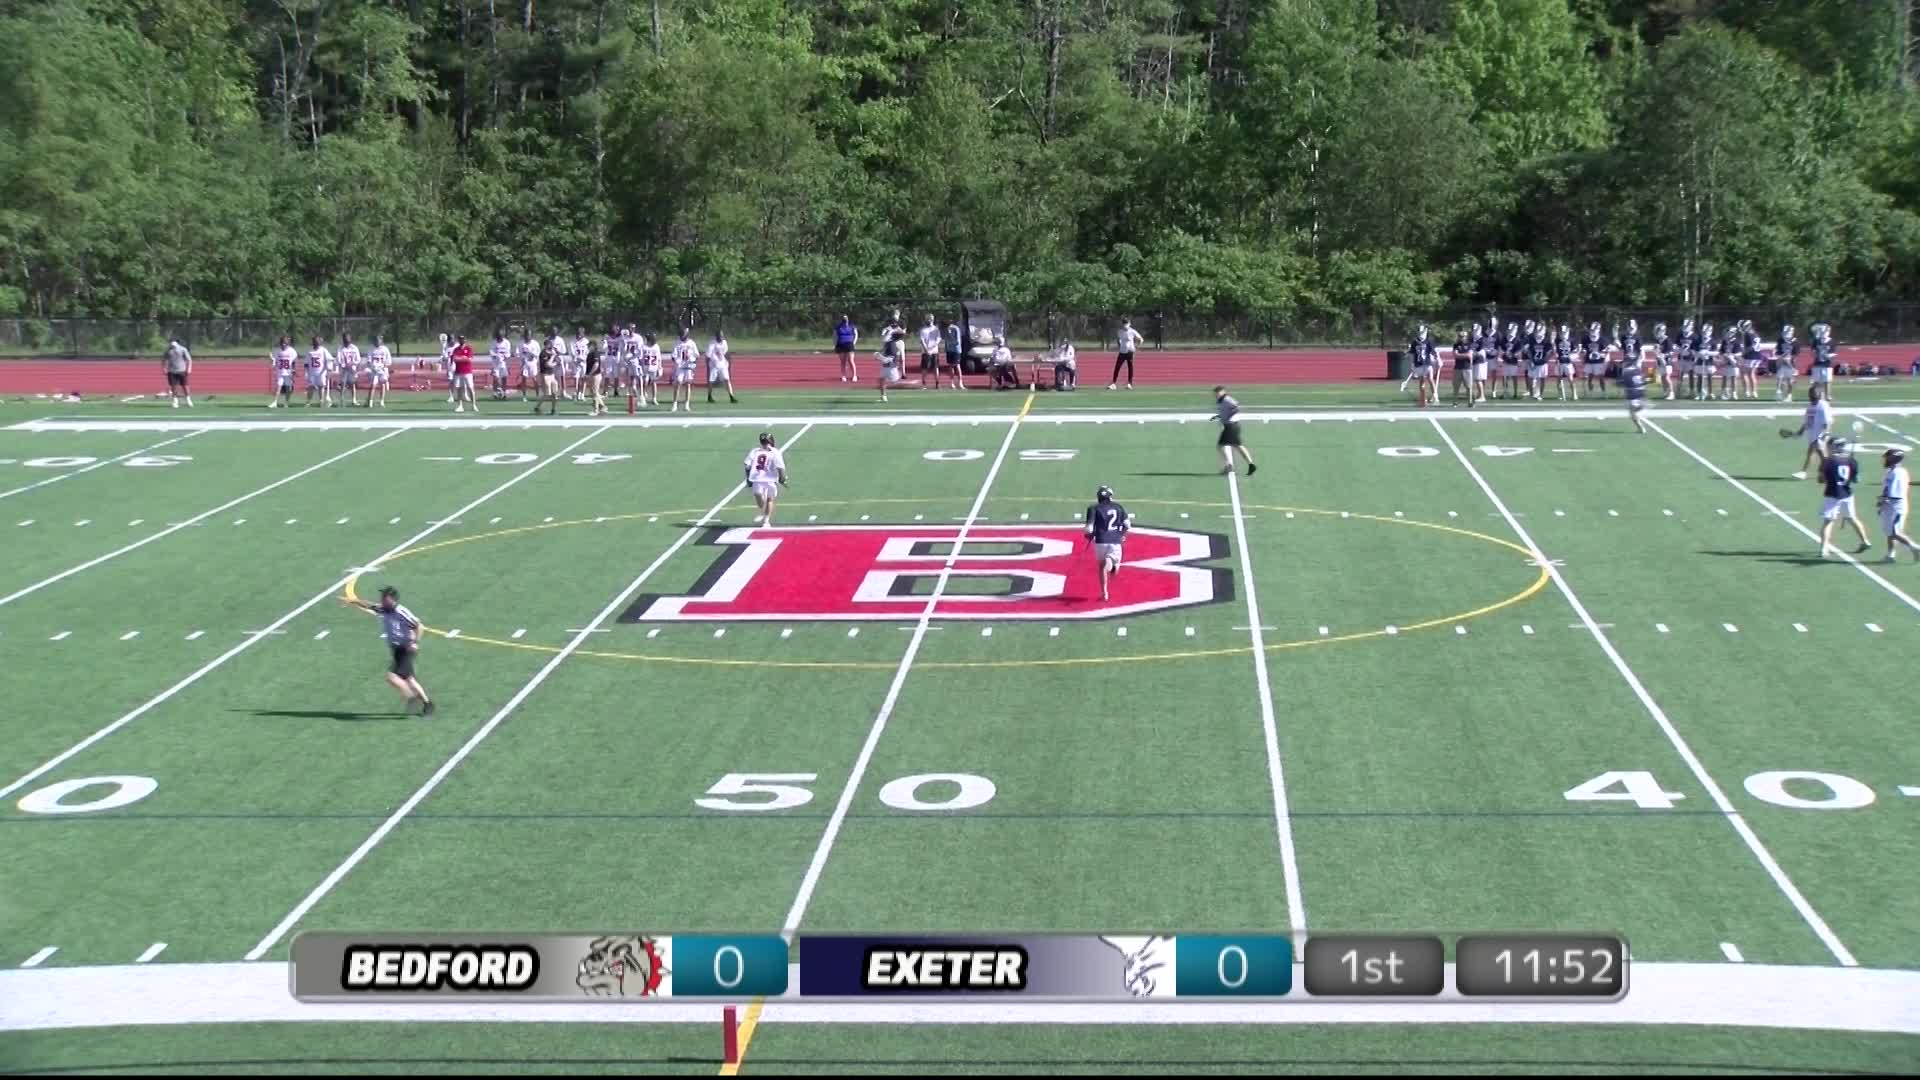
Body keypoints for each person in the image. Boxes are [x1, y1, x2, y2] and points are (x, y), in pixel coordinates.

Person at [347, 586, 435, 716]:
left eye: (384, 597)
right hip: (397, 650)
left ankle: (412, 698)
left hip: (405, 648)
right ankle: (428, 704)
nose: (381, 599)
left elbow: (419, 626)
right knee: (409, 678)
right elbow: (369, 605)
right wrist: (354, 601)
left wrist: (414, 642)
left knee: (391, 677)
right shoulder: (384, 609)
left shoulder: (401, 612)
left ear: (392, 599)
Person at [1815, 438, 1873, 559]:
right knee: (1852, 518)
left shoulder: (1828, 461)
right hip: (1847, 494)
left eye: (1830, 446)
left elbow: (1820, 479)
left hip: (1832, 494)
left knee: (1828, 522)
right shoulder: (1851, 460)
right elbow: (1856, 479)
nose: (1828, 448)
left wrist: (1828, 478)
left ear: (1835, 447)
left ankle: (1824, 549)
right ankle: (1865, 541)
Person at [1084, 484, 1130, 602]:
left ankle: (1104, 591)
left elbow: (1088, 529)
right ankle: (1111, 566)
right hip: (1115, 540)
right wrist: (1122, 534)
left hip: (1100, 542)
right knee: (1112, 566)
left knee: (1102, 566)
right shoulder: (1119, 507)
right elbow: (1127, 525)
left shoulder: (1093, 508)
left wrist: (1089, 536)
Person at [1876, 447, 1919, 562]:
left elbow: (1894, 493)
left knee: (1895, 532)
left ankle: (1915, 548)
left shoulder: (1897, 473)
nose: (1885, 460)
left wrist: (1883, 501)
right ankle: (1891, 555)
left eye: (1888, 457)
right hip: (1890, 505)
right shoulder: (1892, 471)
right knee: (1889, 531)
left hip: (1896, 506)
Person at [1783, 384, 1832, 480]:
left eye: (1813, 394)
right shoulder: (1810, 406)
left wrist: (1825, 434)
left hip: (1820, 435)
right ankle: (1828, 472)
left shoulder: (1823, 406)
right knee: (1822, 456)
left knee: (1811, 452)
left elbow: (1828, 422)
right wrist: (1800, 432)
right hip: (1812, 434)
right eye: (1811, 394)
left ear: (1818, 394)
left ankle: (1804, 472)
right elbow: (1807, 421)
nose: (1811, 396)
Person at [744, 431, 789, 526]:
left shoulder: (755, 451)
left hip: (757, 478)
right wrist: (783, 479)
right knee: (770, 499)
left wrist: (748, 479)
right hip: (770, 479)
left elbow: (747, 466)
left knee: (761, 503)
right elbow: (780, 467)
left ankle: (766, 519)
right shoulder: (775, 452)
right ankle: (766, 520)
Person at [1214, 386, 1257, 476]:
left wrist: (1230, 418)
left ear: (1223, 392)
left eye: (1218, 393)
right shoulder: (1221, 401)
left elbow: (1236, 407)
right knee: (1238, 446)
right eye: (1216, 394)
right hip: (1232, 426)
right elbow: (1224, 412)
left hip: (1231, 426)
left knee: (1220, 446)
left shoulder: (1227, 399)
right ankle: (1251, 464)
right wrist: (1218, 417)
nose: (1217, 395)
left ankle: (1229, 466)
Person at [1621, 344, 1651, 433]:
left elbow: (1625, 383)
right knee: (1636, 409)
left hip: (1632, 393)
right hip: (1641, 391)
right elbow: (1648, 377)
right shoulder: (1637, 368)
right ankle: (1641, 407)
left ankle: (1641, 428)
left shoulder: (1626, 370)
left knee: (1632, 413)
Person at [1110, 318, 1143, 390]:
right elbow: (1118, 339)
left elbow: (1141, 339)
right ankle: (1113, 383)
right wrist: (1120, 346)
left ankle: (1129, 384)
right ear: (1122, 324)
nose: (1125, 325)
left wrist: (1136, 347)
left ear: (1129, 323)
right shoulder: (1120, 331)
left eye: (1127, 323)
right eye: (1124, 323)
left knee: (1130, 367)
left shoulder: (1132, 331)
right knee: (1117, 367)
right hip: (1122, 351)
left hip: (1130, 351)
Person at [707, 329, 738, 404]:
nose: (721, 338)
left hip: (722, 364)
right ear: (717, 337)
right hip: (714, 365)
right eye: (720, 336)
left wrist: (721, 358)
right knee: (711, 381)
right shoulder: (712, 343)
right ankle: (709, 396)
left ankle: (731, 396)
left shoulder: (724, 342)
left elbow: (725, 351)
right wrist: (715, 358)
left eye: (722, 336)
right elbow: (708, 354)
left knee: (727, 380)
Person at [671, 328, 698, 412]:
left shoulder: (691, 343)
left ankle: (687, 404)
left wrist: (692, 361)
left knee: (688, 384)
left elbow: (697, 354)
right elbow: (673, 356)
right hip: (680, 366)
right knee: (678, 383)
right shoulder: (677, 343)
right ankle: (675, 404)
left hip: (688, 366)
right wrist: (677, 362)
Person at [161, 339, 193, 408]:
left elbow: (189, 359)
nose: (172, 346)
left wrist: (189, 369)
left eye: (174, 345)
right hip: (172, 371)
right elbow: (163, 360)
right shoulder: (168, 351)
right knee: (174, 387)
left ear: (177, 344)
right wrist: (164, 369)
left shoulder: (183, 349)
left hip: (182, 370)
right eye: (171, 345)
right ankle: (175, 402)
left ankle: (188, 400)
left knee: (185, 386)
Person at [450, 334, 478, 412]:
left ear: (465, 340)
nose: (462, 340)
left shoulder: (468, 348)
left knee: (470, 388)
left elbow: (469, 359)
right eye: (460, 339)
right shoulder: (456, 349)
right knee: (459, 389)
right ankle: (460, 406)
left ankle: (474, 405)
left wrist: (462, 358)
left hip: (467, 371)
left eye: (463, 339)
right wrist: (463, 358)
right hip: (458, 372)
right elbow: (455, 359)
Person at [269, 335, 297, 408]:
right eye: (282, 343)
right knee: (278, 387)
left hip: (288, 373)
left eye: (285, 343)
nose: (283, 344)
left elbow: (293, 361)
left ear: (288, 343)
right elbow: (275, 360)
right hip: (280, 372)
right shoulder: (277, 351)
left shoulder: (292, 351)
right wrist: (273, 362)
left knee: (288, 388)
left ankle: (286, 403)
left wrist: (293, 369)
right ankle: (275, 402)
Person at [305, 335, 334, 407]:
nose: (316, 342)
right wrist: (306, 372)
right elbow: (306, 363)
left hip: (321, 372)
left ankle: (321, 401)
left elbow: (330, 359)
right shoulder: (310, 352)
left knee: (321, 387)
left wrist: (329, 369)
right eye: (315, 341)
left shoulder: (323, 350)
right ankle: (308, 402)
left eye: (318, 341)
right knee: (310, 387)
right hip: (312, 373)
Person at [533, 340, 560, 415]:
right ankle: (537, 407)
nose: (551, 346)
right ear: (546, 345)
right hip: (545, 375)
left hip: (552, 375)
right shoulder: (543, 353)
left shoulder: (552, 352)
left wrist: (555, 360)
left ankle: (553, 409)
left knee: (555, 393)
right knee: (547, 394)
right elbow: (548, 364)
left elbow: (557, 362)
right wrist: (553, 357)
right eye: (549, 345)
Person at [1776, 323, 1801, 401]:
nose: (1785, 333)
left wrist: (1789, 360)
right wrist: (1781, 357)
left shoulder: (1795, 342)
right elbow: (1778, 351)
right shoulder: (1780, 340)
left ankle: (1789, 396)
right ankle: (1780, 394)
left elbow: (1796, 354)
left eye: (1787, 332)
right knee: (1780, 379)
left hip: (1790, 363)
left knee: (1789, 380)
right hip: (1781, 362)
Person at [917, 314, 942, 390]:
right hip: (925, 352)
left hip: (934, 352)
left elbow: (938, 340)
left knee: (935, 368)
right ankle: (924, 384)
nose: (929, 320)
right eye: (927, 319)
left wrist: (932, 348)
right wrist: (926, 350)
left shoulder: (936, 329)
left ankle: (937, 384)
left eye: (930, 319)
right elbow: (922, 341)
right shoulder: (923, 330)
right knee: (924, 368)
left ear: (933, 320)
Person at [337, 334, 362, 407]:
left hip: (352, 369)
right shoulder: (340, 348)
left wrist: (352, 364)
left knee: (352, 385)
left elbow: (358, 359)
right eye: (345, 338)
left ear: (350, 339)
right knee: (342, 384)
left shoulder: (354, 348)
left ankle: (354, 400)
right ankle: (341, 400)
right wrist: (343, 364)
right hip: (344, 369)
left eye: (348, 338)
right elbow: (338, 359)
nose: (347, 339)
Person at [366, 335, 391, 407]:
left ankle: (381, 401)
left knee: (382, 384)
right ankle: (370, 402)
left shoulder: (385, 349)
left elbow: (388, 360)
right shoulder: (371, 349)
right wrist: (372, 367)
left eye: (379, 340)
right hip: (374, 370)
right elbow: (369, 360)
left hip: (382, 370)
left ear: (381, 341)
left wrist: (384, 366)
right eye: (376, 340)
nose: (377, 342)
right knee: (373, 385)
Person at [584, 337, 606, 416]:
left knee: (595, 393)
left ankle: (596, 410)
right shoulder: (590, 353)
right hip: (592, 375)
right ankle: (603, 407)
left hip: (595, 375)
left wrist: (590, 374)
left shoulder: (595, 353)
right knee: (593, 392)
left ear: (593, 345)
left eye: (589, 345)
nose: (588, 347)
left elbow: (596, 365)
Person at [834, 314, 860, 383]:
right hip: (841, 344)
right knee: (843, 361)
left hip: (849, 344)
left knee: (851, 360)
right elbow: (835, 336)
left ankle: (854, 375)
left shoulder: (852, 326)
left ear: (848, 319)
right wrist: (835, 344)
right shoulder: (838, 327)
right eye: (843, 319)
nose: (845, 320)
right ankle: (843, 376)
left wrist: (854, 343)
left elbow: (856, 335)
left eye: (846, 318)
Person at [489, 331, 513, 400]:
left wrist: (505, 356)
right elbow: (491, 352)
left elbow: (508, 353)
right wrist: (496, 355)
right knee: (495, 378)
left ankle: (504, 393)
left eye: (501, 337)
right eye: (498, 337)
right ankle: (495, 393)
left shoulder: (507, 342)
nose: (499, 339)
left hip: (504, 364)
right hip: (495, 363)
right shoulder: (494, 342)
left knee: (504, 378)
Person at [942, 318, 965, 389]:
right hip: (949, 350)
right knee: (950, 366)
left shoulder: (955, 328)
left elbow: (957, 341)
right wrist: (946, 348)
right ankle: (951, 383)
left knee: (957, 365)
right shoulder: (946, 329)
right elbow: (945, 339)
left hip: (956, 350)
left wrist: (950, 340)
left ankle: (960, 382)